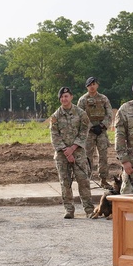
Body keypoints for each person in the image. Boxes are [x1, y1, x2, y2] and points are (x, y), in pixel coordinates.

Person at [49, 86, 95, 219]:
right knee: (65, 182)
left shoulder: (81, 114)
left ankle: (89, 209)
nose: (64, 99)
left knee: (83, 181)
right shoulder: (55, 116)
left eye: (66, 96)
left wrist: (73, 149)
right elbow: (54, 136)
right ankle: (69, 209)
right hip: (62, 155)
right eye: (62, 97)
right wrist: (66, 151)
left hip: (78, 152)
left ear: (71, 97)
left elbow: (84, 132)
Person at [76, 76, 113, 187]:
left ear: (97, 85)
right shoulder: (83, 100)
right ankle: (87, 179)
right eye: (89, 85)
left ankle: (103, 179)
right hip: (89, 133)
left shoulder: (103, 98)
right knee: (87, 157)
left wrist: (102, 125)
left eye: (94, 84)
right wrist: (91, 127)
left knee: (103, 157)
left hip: (101, 132)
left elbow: (109, 113)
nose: (92, 87)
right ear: (86, 87)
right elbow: (80, 115)